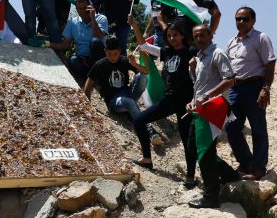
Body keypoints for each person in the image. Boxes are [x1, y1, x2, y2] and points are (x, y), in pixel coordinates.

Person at [130, 18, 198, 188]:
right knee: (139, 120)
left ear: (183, 35)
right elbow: (144, 46)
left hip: (186, 103)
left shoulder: (191, 52)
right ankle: (147, 158)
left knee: (186, 139)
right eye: (169, 35)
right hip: (168, 99)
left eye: (175, 35)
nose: (172, 38)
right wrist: (134, 24)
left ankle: (190, 176)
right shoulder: (166, 51)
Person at [187, 24, 240, 208]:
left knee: (204, 152)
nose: (199, 39)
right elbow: (200, 85)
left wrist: (206, 97)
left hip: (213, 108)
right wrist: (193, 101)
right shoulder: (200, 57)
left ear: (210, 35)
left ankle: (211, 196)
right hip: (200, 109)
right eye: (196, 36)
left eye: (202, 35)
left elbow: (229, 80)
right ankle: (228, 174)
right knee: (195, 149)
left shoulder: (218, 53)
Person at [225, 6, 276, 180]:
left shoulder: (261, 38)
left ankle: (259, 168)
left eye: (245, 19)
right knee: (231, 128)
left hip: (254, 87)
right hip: (235, 89)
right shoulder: (231, 42)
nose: (241, 22)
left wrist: (265, 88)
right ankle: (246, 163)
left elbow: (270, 63)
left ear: (253, 21)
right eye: (238, 19)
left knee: (258, 128)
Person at [84, 36, 151, 125]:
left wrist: (135, 64)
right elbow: (88, 85)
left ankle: (132, 113)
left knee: (142, 76)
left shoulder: (124, 60)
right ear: (105, 51)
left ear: (119, 51)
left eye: (115, 54)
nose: (112, 57)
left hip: (127, 93)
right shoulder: (100, 65)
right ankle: (147, 128)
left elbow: (147, 72)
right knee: (130, 102)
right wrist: (88, 106)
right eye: (109, 54)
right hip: (113, 100)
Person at [51, 0, 107, 85]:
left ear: (90, 7)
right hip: (82, 59)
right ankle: (92, 79)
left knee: (95, 41)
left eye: (85, 8)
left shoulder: (101, 18)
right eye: (80, 9)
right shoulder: (73, 22)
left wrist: (92, 17)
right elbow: (65, 44)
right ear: (77, 10)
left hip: (97, 58)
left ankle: (96, 76)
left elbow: (98, 35)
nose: (83, 11)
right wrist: (49, 44)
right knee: (73, 60)